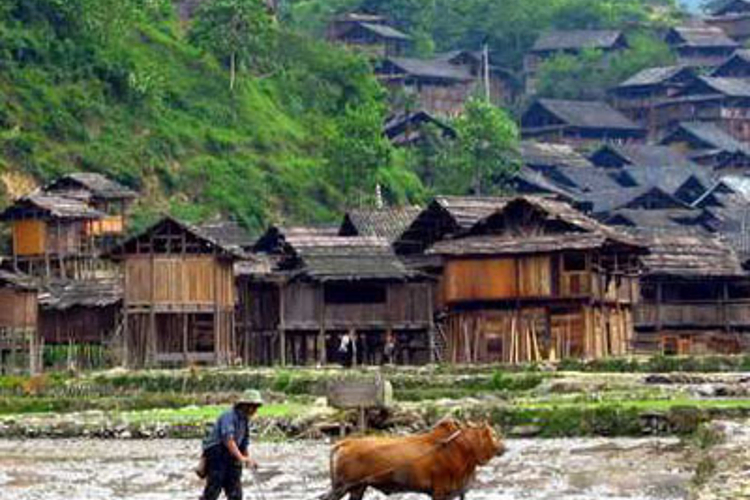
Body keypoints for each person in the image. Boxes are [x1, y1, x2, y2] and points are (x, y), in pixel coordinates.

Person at [199, 389, 263, 500]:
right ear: (244, 405)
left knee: (235, 491)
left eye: (256, 406)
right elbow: (228, 440)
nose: (254, 409)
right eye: (251, 406)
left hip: (232, 453)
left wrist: (247, 459)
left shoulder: (245, 421)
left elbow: (243, 444)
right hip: (217, 452)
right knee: (214, 487)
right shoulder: (229, 416)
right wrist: (241, 458)